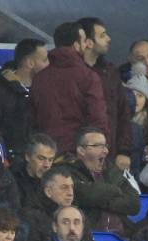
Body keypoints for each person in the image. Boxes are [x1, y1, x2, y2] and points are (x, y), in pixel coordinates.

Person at [29, 22, 107, 155]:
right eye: (84, 41)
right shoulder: (88, 76)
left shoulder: (39, 78)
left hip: (47, 154)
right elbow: (97, 118)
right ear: (76, 45)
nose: (87, 45)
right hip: (78, 153)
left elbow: (31, 120)